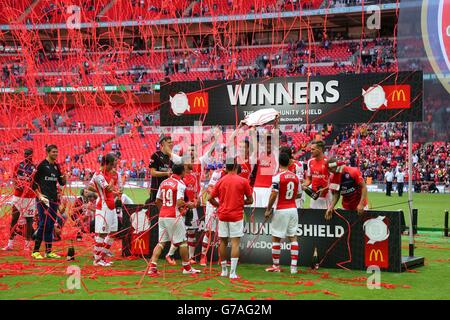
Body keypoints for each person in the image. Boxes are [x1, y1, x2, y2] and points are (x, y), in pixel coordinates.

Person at [148, 164, 201, 276]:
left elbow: (157, 200)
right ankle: (187, 268)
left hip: (162, 215)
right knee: (183, 242)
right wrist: (189, 205)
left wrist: (163, 210)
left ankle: (152, 267)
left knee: (161, 243)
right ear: (181, 172)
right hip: (173, 215)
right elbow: (179, 202)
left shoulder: (164, 182)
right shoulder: (180, 184)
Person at [208, 159, 253, 279]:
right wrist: (239, 202)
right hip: (236, 215)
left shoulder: (220, 181)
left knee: (222, 242)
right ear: (236, 166)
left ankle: (223, 270)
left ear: (226, 168)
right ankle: (232, 272)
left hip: (223, 214)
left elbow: (210, 198)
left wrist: (220, 206)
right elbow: (250, 200)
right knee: (235, 243)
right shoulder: (243, 181)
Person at [264, 153, 302, 274]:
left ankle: (276, 266)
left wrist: (268, 209)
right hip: (293, 209)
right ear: (289, 162)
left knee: (276, 238)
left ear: (279, 163)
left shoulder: (277, 177)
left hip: (281, 209)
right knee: (293, 237)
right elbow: (300, 194)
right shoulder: (295, 177)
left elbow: (274, 194)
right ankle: (293, 267)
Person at [31, 145, 67, 259]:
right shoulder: (41, 166)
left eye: (57, 152)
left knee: (51, 224)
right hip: (43, 199)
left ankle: (48, 251)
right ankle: (35, 251)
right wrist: (39, 195)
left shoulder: (56, 166)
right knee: (43, 223)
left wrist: (64, 178)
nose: (56, 154)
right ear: (47, 152)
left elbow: (61, 183)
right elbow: (33, 183)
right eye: (53, 152)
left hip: (53, 199)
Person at [88, 153, 122, 267]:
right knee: (102, 233)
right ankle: (97, 260)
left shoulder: (108, 173)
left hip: (111, 206)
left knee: (113, 232)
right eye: (112, 164)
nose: (113, 167)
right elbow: (108, 187)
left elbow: (110, 190)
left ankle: (102, 256)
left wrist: (116, 192)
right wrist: (113, 180)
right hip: (104, 206)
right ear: (106, 163)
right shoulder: (99, 175)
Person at [165, 164, 199, 265]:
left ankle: (191, 257)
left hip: (191, 207)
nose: (192, 163)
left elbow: (195, 192)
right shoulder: (180, 180)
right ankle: (171, 254)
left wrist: (196, 201)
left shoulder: (194, 177)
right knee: (181, 234)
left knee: (192, 232)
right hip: (182, 208)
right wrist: (181, 208)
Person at [3, 149, 36, 251]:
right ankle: (10, 244)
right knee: (14, 219)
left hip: (30, 198)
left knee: (29, 221)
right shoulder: (18, 165)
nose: (26, 155)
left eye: (28, 154)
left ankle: (27, 245)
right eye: (25, 153)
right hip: (18, 196)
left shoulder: (35, 168)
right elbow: (14, 178)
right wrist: (18, 186)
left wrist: (29, 187)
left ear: (32, 155)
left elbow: (36, 182)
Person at [148, 135, 182, 203]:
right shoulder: (156, 155)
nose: (171, 144)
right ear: (163, 144)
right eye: (169, 142)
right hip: (156, 189)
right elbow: (153, 172)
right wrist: (166, 173)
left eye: (172, 142)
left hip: (169, 190)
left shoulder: (172, 157)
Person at [302, 140, 331, 209]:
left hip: (326, 196)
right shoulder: (310, 162)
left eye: (313, 149)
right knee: (313, 217)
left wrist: (325, 189)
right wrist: (303, 185)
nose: (311, 151)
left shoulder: (328, 161)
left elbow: (334, 181)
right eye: (310, 149)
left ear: (320, 149)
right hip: (314, 195)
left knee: (325, 218)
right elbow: (309, 179)